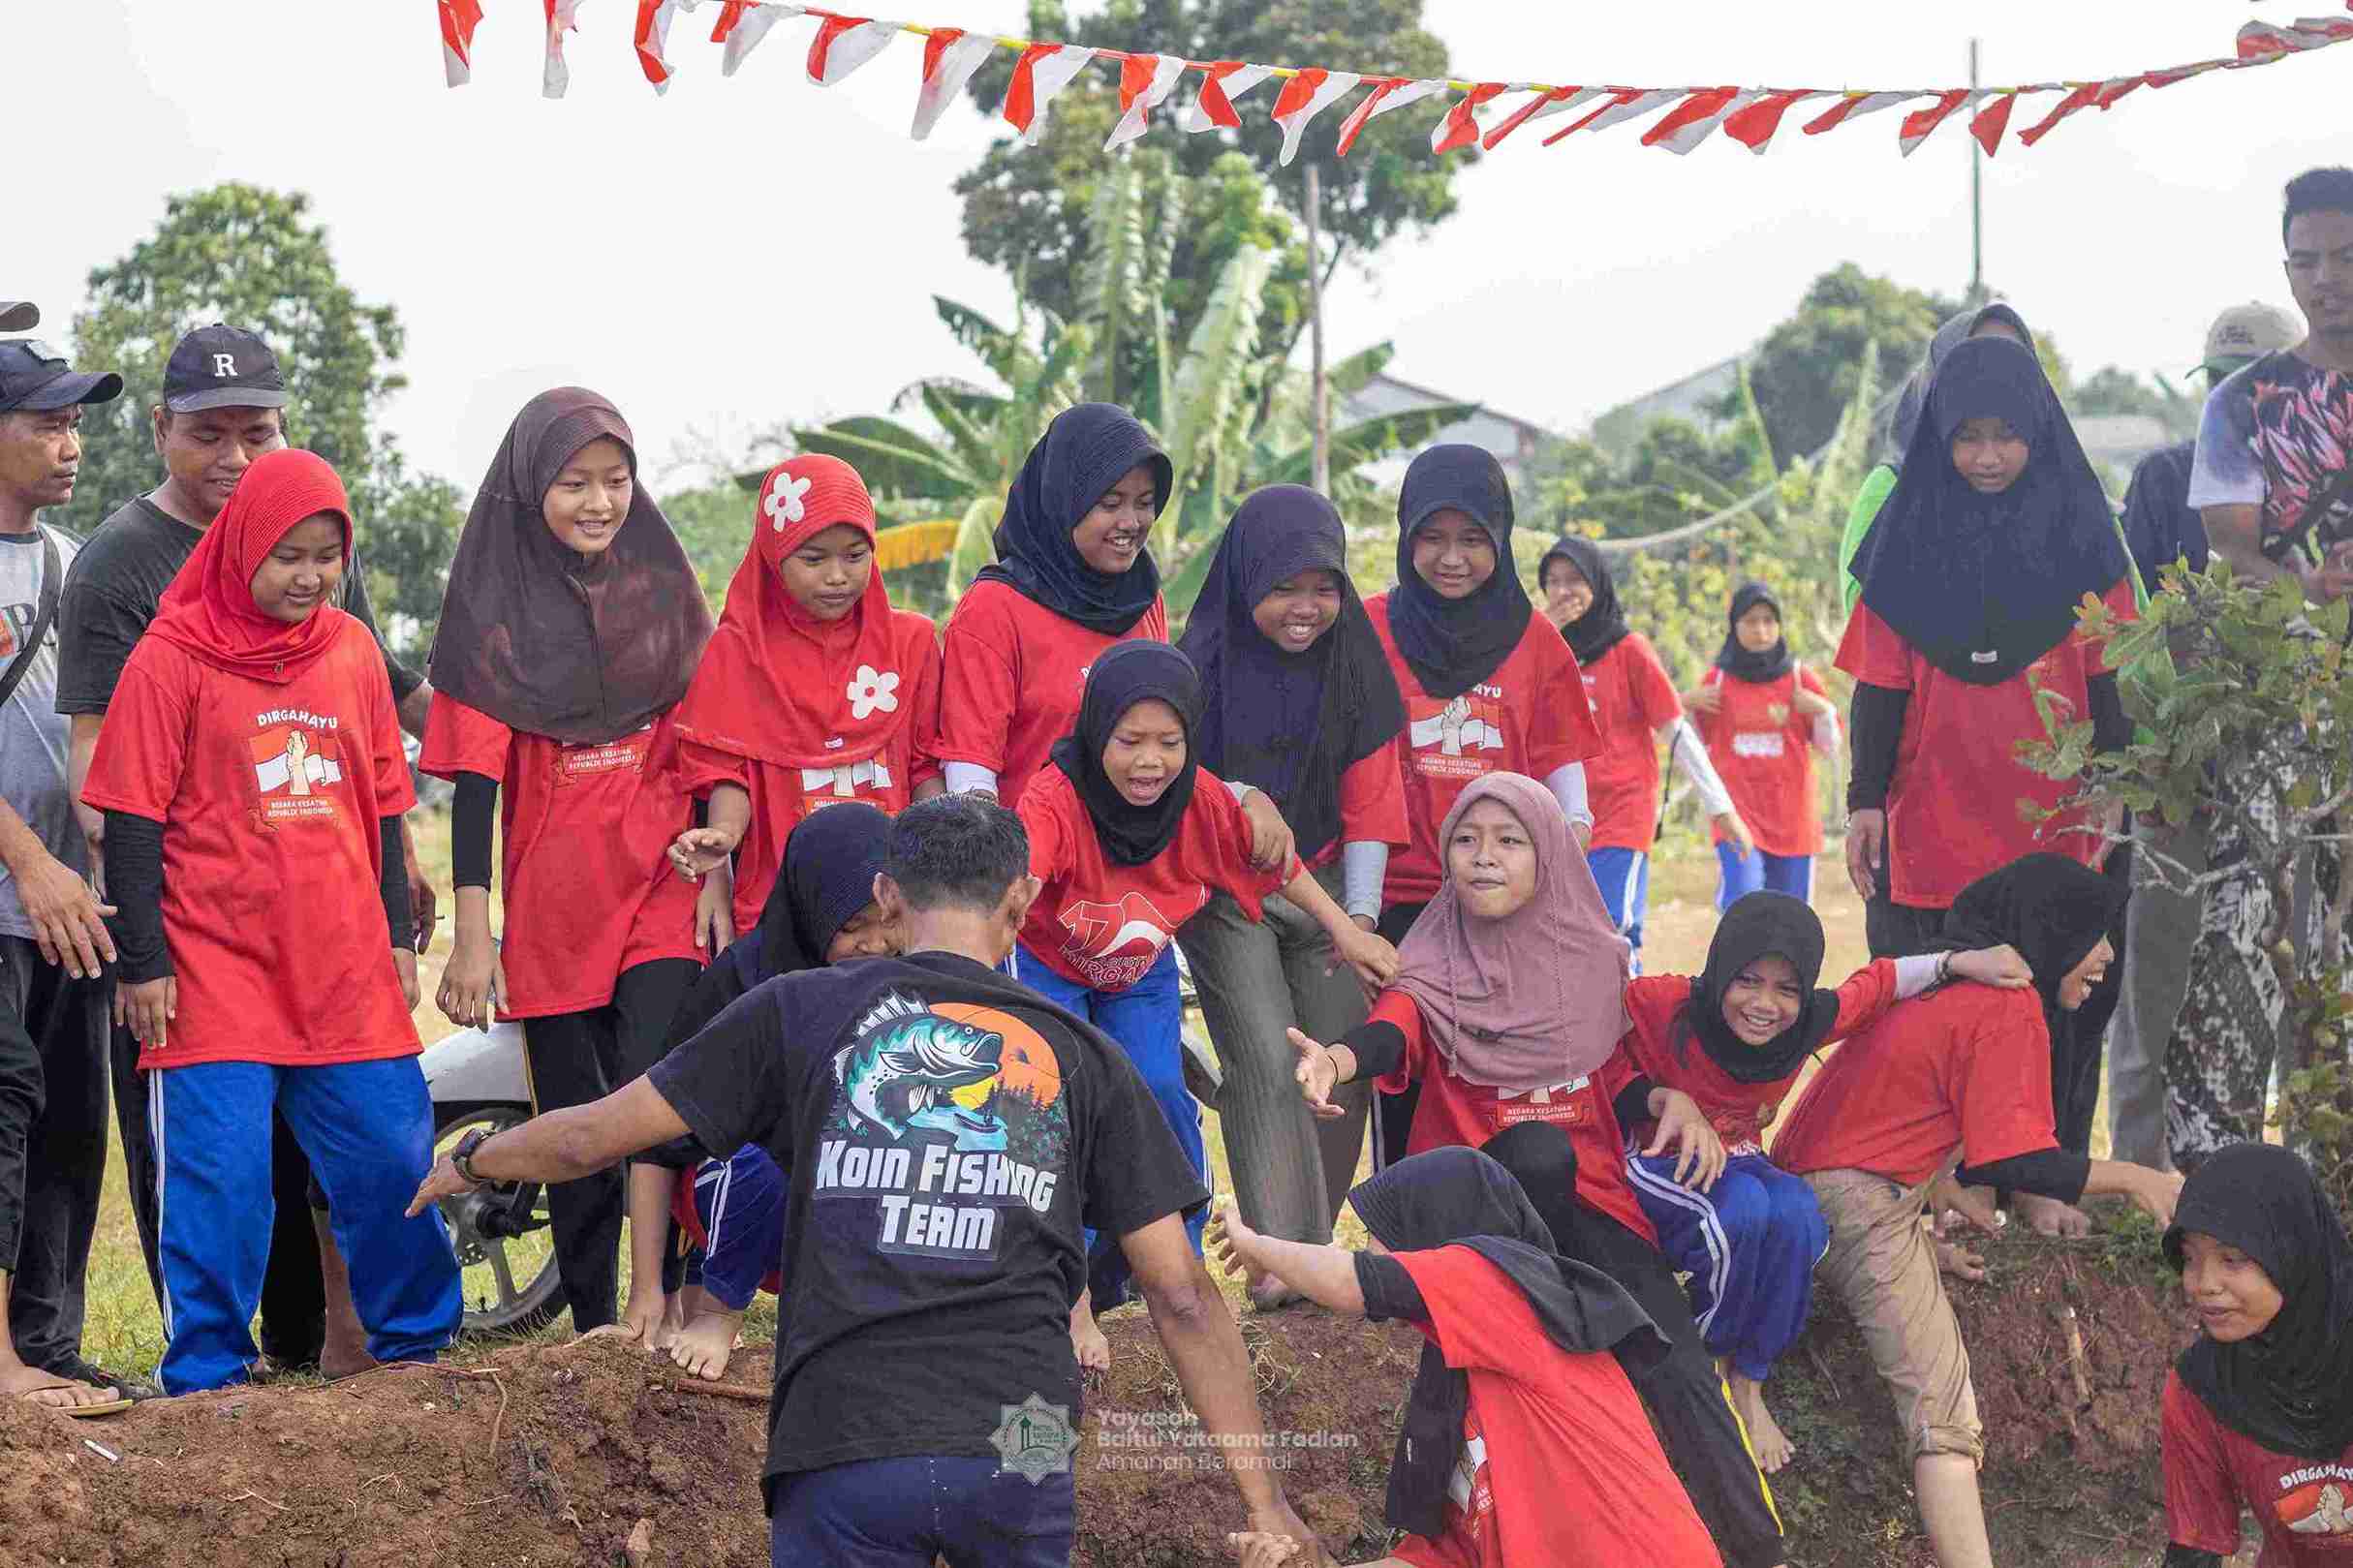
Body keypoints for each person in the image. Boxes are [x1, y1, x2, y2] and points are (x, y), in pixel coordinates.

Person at [407, 792, 1322, 1567]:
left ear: (888, 891)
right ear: (1022, 898)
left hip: (839, 1442)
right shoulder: (1080, 1053)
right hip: (1022, 1444)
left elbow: (594, 1137)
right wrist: (1264, 1498)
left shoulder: (795, 1010)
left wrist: (471, 1160)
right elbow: (1183, 1295)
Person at [52, 323, 434, 1375]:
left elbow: (386, 797)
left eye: (327, 558)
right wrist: (144, 964)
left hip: (344, 962)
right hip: (212, 962)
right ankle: (211, 1370)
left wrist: (399, 936)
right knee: (218, 1181)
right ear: (240, 549)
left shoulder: (351, 649)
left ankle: (419, 1355)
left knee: (390, 1155)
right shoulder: (169, 646)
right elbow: (123, 807)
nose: (309, 577)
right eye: (288, 557)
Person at [1291, 771, 1789, 1568]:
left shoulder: (1592, 960)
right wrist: (1338, 1060)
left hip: (1588, 1206)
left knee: (1676, 1359)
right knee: (1534, 1153)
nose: (1482, 858)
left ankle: (1757, 1553)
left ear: (1549, 854)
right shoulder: (1434, 961)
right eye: (1465, 839)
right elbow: (1393, 1030)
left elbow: (1609, 1075)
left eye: (1508, 841)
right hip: (1480, 1214)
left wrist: (1667, 1099)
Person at [1771, 853, 2184, 1568]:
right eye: (2095, 933)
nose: (2108, 955)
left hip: (1831, 1182)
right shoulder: (2005, 1005)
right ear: (2050, 929)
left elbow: (1891, 1101)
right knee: (1942, 1401)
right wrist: (2136, 1179)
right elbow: (2011, 1164)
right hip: (1849, 1194)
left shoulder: (1952, 982)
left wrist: (1925, 1205)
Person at [422, 387, 715, 1346]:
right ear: (527, 488)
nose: (599, 501)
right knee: (578, 1121)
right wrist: (472, 939)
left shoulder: (665, 590)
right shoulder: (491, 614)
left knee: (656, 1099)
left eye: (616, 479)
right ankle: (596, 1324)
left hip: (662, 886)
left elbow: (712, 741)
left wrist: (715, 861)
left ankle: (662, 1304)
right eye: (573, 482)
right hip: (555, 907)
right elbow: (471, 791)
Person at [1012, 640, 1396, 1361]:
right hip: (1049, 967)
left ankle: (1177, 1260)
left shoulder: (1201, 800)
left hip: (1138, 970)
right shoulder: (1054, 798)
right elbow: (1017, 882)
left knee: (1155, 1088)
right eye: (1128, 741)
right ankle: (1068, 1283)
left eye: (1168, 741)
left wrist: (1346, 930)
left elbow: (1278, 866)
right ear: (1097, 732)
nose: (1148, 761)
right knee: (1055, 1104)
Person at [1841, 335, 2137, 1227]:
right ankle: (1939, 1186)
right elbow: (1878, 687)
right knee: (1937, 1009)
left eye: (2006, 436)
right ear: (1939, 436)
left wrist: (2113, 784)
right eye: (1967, 436)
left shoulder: (2086, 540)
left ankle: (2038, 1185)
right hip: (1928, 815)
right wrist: (1861, 802)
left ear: (2039, 434)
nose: (1986, 457)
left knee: (2054, 1010)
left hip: (2052, 818)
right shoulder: (1903, 545)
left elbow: (2107, 680)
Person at [1616, 892, 2028, 1472]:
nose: (1765, 1005)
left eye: (1786, 989)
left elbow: (1880, 983)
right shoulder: (1662, 1003)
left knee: (1801, 1218)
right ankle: (1705, 1360)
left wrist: (1958, 963)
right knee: (1738, 1216)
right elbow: (1593, 1045)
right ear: (1720, 971)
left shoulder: (1807, 1022)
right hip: (1656, 1149)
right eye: (1748, 981)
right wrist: (1661, 1098)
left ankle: (1749, 1378)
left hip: (1738, 1154)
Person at [1209, 1147, 1722, 1568]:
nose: (1368, 1246)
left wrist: (1259, 1246)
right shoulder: (1459, 1377)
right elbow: (1445, 1556)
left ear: (1434, 1225)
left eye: (1380, 1231)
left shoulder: (1510, 1289)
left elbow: (1356, 1282)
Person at [1173, 484, 1407, 1298]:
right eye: (1283, 587)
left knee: (1339, 1058)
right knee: (1270, 1060)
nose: (1306, 608)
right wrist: (1238, 791)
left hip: (1334, 887)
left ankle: (1309, 1248)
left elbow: (1373, 795)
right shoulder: (1195, 667)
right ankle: (1283, 1263)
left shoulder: (1353, 661)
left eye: (1324, 586)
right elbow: (1179, 783)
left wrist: (1363, 921)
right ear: (1243, 584)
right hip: (1223, 890)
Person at [2176, 166, 2353, 1172]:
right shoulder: (2244, 403)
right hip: (2271, 709)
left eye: (2342, 258)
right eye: (2304, 261)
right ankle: (2223, 1187)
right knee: (2241, 926)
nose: (2323, 279)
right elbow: (2228, 549)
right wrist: (2301, 588)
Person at [2105, 299, 2306, 1172]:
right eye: (2220, 379)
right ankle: (2145, 1176)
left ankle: (2310, 1176)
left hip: (2305, 775)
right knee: (2157, 970)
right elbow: (2127, 629)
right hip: (2182, 774)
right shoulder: (2162, 482)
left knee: (2308, 973)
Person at [1364, 446, 1603, 1170]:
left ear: (1500, 539)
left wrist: (1563, 858)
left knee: (1493, 1071)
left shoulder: (1537, 643)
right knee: (1401, 1060)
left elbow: (1567, 784)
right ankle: (1405, 1223)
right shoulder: (1368, 626)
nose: (1451, 558)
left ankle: (1504, 1220)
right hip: (1396, 896)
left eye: (1472, 538)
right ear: (1405, 538)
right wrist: (1356, 909)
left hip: (1497, 897)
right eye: (1431, 537)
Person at [0, 336, 136, 1413]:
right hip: (14, 895)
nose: (70, 443)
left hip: (71, 915)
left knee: (69, 1130)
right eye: (47, 422)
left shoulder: (70, 564)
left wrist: (89, 853)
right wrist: (29, 855)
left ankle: (46, 1347)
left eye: (76, 423)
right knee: (1, 1113)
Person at [656, 802, 905, 1381]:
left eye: (887, 921)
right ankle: (717, 1312)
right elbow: (655, 1138)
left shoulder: (913, 973)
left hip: (846, 1188)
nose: (874, 944)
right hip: (740, 1185)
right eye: (851, 926)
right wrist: (650, 1288)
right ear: (812, 909)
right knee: (765, 1158)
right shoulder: (746, 979)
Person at [665, 454, 944, 936]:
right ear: (774, 558)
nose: (837, 576)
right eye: (814, 559)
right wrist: (725, 837)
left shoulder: (911, 645)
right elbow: (730, 772)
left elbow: (924, 768)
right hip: (782, 909)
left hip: (893, 909)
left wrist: (943, 851)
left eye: (855, 555)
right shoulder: (739, 652)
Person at [1536, 536, 1747, 969]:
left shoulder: (1629, 650)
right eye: (1552, 581)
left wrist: (1720, 808)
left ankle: (1625, 1029)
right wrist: (1541, 638)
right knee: (1558, 934)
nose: (1562, 591)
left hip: (1620, 814)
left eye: (1574, 579)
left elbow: (1677, 731)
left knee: (1613, 928)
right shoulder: (1540, 650)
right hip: (1557, 819)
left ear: (1597, 583)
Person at [2161, 1141, 2353, 1566]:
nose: (2203, 1283)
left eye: (2232, 1259)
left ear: (2292, 1252)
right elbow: (2196, 1547)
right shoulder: (2203, 1387)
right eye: (2190, 1259)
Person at [1840, 302, 2038, 614]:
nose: (1993, 373)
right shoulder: (1892, 487)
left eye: (2009, 358)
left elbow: (2123, 635)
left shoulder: (2066, 494)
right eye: (1974, 359)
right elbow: (1868, 634)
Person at [1687, 581, 1841, 911]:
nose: (1760, 630)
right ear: (1734, 626)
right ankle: (1738, 965)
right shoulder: (1716, 682)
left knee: (1791, 917)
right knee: (1743, 904)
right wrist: (1686, 704)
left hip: (1794, 822)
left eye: (1769, 621)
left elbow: (1830, 747)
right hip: (1738, 819)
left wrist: (1823, 711)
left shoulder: (1800, 679)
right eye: (1751, 621)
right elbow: (1690, 747)